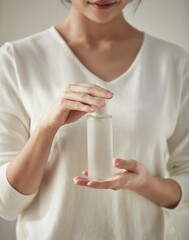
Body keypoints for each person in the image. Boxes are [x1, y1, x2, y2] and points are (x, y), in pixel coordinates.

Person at [0, 0, 189, 239]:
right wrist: (46, 128)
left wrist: (144, 183)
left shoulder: (172, 61)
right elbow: (6, 204)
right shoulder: (16, 60)